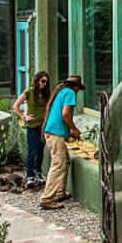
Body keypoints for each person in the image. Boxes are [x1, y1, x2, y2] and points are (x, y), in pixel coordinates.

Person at [40, 74, 84, 210]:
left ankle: (59, 192)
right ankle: (47, 198)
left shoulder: (62, 92)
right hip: (55, 134)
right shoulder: (70, 93)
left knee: (65, 160)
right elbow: (65, 114)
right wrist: (75, 129)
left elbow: (60, 116)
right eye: (78, 89)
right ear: (75, 87)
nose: (78, 91)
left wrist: (69, 132)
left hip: (54, 132)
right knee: (58, 164)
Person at [12, 71, 50, 189]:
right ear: (37, 80)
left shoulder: (46, 94)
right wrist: (24, 117)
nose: (43, 84)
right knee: (32, 150)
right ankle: (29, 175)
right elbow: (15, 106)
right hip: (32, 125)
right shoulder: (29, 92)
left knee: (40, 150)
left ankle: (37, 172)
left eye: (46, 82)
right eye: (42, 81)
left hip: (43, 126)